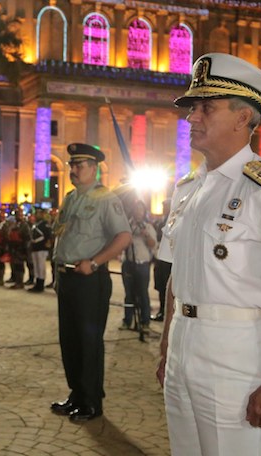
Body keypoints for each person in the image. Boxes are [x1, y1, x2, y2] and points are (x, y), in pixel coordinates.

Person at [155, 53, 261, 455]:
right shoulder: (187, 189)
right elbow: (176, 278)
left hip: (235, 352)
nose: (191, 117)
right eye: (193, 108)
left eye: (206, 108)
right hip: (182, 346)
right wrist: (167, 347)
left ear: (242, 117)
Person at [50, 143, 131, 422]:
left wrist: (95, 262)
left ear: (94, 168)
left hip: (90, 279)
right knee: (69, 339)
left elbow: (123, 236)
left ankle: (92, 401)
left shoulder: (106, 199)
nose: (73, 170)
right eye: (71, 165)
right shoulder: (71, 198)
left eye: (79, 165)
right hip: (67, 278)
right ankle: (77, 394)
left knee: (88, 342)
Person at [119, 200, 157, 331]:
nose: (138, 212)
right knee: (128, 294)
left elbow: (153, 245)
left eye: (141, 209)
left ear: (144, 212)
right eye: (136, 209)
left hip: (142, 265)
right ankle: (127, 320)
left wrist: (146, 235)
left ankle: (145, 321)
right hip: (128, 264)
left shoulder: (148, 227)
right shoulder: (127, 226)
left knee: (143, 293)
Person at [151, 199, 171, 322]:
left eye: (166, 206)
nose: (164, 208)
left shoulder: (173, 220)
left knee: (167, 287)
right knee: (160, 285)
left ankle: (166, 312)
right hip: (159, 259)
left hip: (168, 261)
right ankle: (162, 311)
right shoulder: (160, 222)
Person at [27, 209, 52, 292]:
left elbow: (48, 235)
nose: (36, 215)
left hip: (42, 248)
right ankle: (37, 283)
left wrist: (48, 244)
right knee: (36, 266)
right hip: (35, 247)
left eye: (38, 213)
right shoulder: (36, 224)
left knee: (41, 267)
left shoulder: (45, 224)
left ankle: (41, 284)